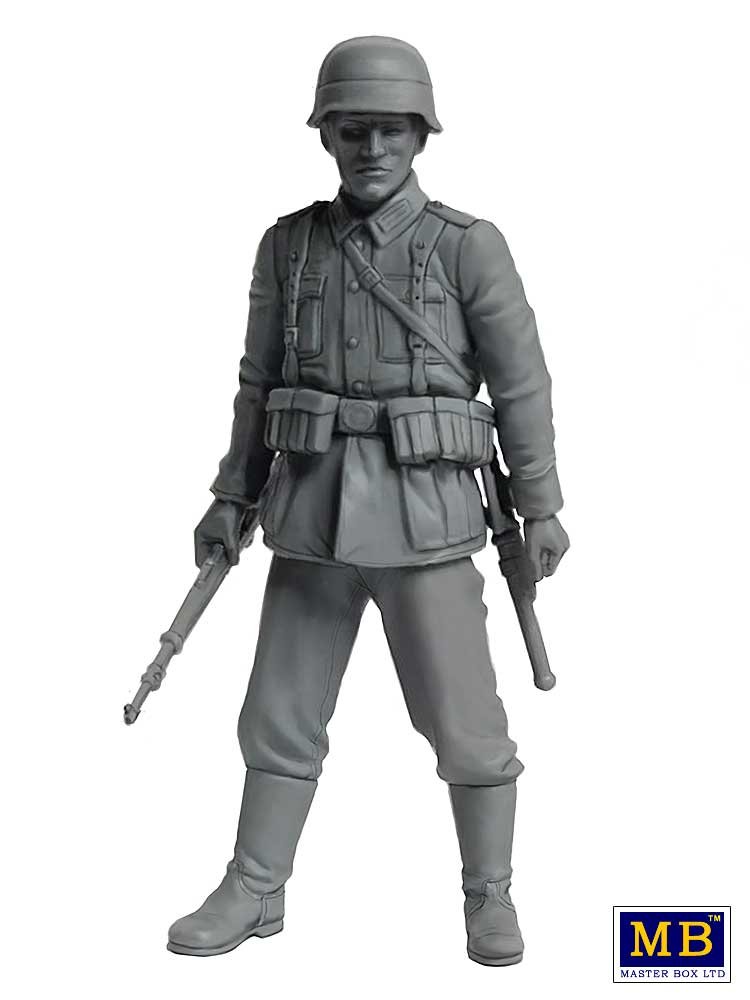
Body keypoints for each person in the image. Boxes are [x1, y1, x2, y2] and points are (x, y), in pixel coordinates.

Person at [167, 35, 569, 966]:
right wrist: (231, 495)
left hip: (427, 518)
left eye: (391, 130)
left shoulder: (467, 246)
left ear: (421, 135)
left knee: (466, 725)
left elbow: (522, 384)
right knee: (277, 713)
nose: (372, 148)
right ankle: (255, 885)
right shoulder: (289, 244)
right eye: (353, 130)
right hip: (309, 513)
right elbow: (258, 381)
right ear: (326, 136)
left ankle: (489, 892)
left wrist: (541, 504)